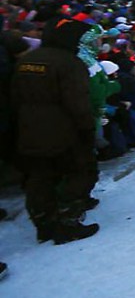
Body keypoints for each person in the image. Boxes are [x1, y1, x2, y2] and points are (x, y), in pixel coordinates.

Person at [10, 17, 100, 244]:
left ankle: (44, 224)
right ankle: (68, 222)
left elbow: (14, 95)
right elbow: (78, 102)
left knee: (39, 178)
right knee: (77, 172)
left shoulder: (27, 60)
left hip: (28, 127)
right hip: (62, 128)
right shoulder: (69, 63)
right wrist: (87, 128)